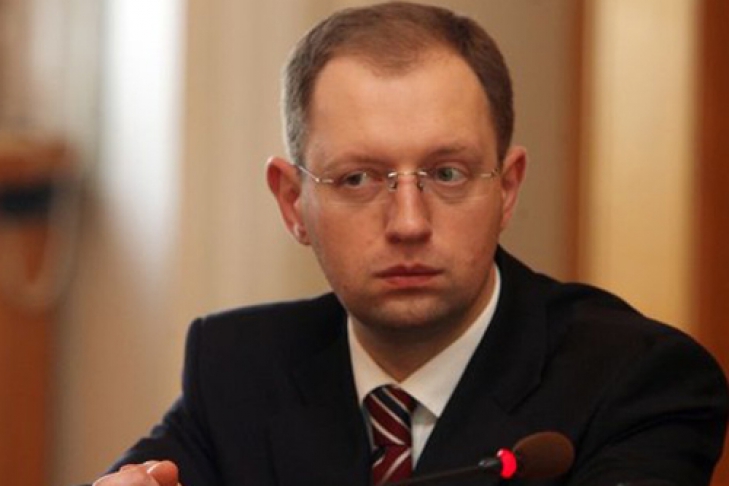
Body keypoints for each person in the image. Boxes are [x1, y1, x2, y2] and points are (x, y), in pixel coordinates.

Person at [90, 2, 728, 486]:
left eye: (446, 174)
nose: (408, 222)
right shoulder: (239, 370)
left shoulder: (640, 383)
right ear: (292, 202)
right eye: (358, 179)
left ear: (506, 190)